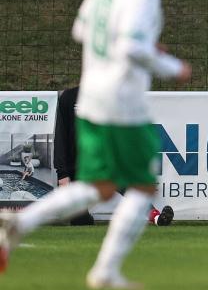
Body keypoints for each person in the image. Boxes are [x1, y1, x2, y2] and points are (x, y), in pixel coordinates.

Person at [0, 0, 191, 289]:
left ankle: (20, 222)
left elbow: (80, 28)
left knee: (101, 186)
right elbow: (131, 45)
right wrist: (171, 65)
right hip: (122, 98)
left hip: (90, 96)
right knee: (140, 187)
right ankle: (106, 271)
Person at [54, 86, 174, 226]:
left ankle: (157, 218)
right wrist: (62, 173)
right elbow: (61, 136)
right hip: (78, 168)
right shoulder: (69, 97)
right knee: (80, 221)